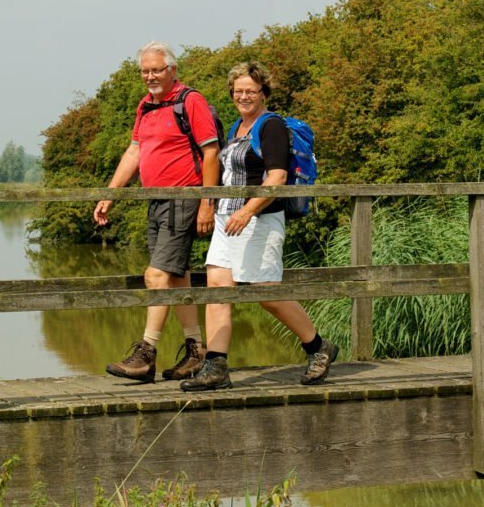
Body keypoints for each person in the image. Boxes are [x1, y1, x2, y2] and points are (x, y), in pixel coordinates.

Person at [180, 61, 337, 392]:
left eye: (251, 90)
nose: (244, 96)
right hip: (227, 218)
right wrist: (215, 207)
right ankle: (216, 366)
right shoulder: (237, 126)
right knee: (218, 290)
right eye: (238, 91)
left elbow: (277, 177)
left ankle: (318, 347)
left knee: (266, 294)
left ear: (264, 92)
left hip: (259, 219)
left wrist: (248, 211)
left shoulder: (271, 126)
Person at [94, 41, 220, 383]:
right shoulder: (146, 106)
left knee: (156, 275)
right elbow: (135, 152)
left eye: (156, 70)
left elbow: (211, 153)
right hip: (156, 200)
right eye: (145, 71)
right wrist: (111, 193)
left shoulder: (190, 101)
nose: (150, 76)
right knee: (176, 275)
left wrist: (207, 202)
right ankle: (197, 351)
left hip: (185, 197)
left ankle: (146, 355)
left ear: (172, 71)